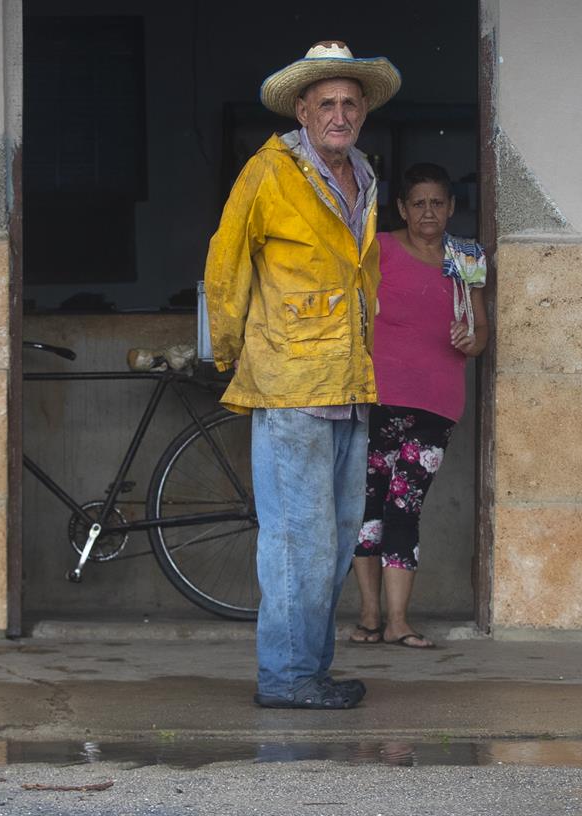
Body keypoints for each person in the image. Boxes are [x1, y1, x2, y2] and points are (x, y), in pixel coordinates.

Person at [205, 40, 400, 710]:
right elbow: (225, 264)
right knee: (297, 542)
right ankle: (287, 677)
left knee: (336, 541)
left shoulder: (363, 173)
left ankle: (308, 670)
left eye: (350, 103)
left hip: (348, 382)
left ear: (363, 111)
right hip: (290, 381)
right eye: (327, 104)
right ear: (303, 111)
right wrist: (230, 354)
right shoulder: (269, 172)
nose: (340, 115)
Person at [349, 163, 486, 650]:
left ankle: (398, 621)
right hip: (378, 398)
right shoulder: (379, 249)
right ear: (403, 209)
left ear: (451, 208)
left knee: (403, 506)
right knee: (369, 505)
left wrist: (470, 339)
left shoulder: (465, 256)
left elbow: (480, 334)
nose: (429, 212)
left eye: (438, 203)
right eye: (419, 203)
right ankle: (370, 615)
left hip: (436, 403)